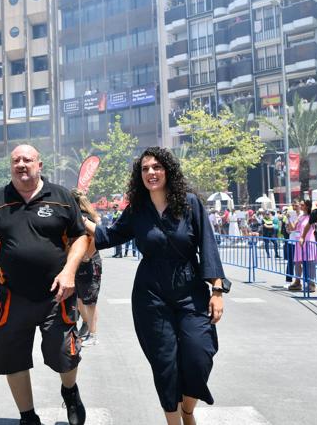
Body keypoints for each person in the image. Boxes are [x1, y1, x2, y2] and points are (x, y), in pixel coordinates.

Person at [83, 147, 226, 425]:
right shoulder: (137, 210)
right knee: (165, 364)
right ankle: (174, 422)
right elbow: (110, 235)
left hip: (190, 289)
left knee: (199, 355)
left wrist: (217, 291)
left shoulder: (189, 204)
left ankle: (187, 411)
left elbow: (208, 246)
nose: (151, 172)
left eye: (157, 167)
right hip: (151, 294)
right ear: (140, 175)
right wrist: (78, 219)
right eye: (145, 168)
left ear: (168, 170)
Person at [0, 145, 89, 425]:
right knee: (11, 357)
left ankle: (70, 391)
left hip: (57, 294)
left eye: (27, 160)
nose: (21, 164)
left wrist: (69, 272)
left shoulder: (62, 197)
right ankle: (28, 417)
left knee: (63, 354)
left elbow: (80, 238)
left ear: (39, 164)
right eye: (16, 160)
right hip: (12, 295)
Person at [71, 188, 103, 347]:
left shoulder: (85, 218)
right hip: (80, 263)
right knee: (80, 299)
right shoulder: (78, 216)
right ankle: (87, 327)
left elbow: (97, 238)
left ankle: (93, 334)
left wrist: (86, 256)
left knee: (90, 301)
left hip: (89, 264)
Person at [289, 200, 317, 292]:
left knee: (310, 263)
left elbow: (316, 228)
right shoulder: (300, 216)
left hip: (309, 241)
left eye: (302, 205)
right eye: (300, 204)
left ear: (307, 206)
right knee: (297, 262)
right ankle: (297, 282)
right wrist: (289, 218)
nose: (300, 206)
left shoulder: (312, 216)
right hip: (299, 241)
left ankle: (311, 284)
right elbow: (292, 228)